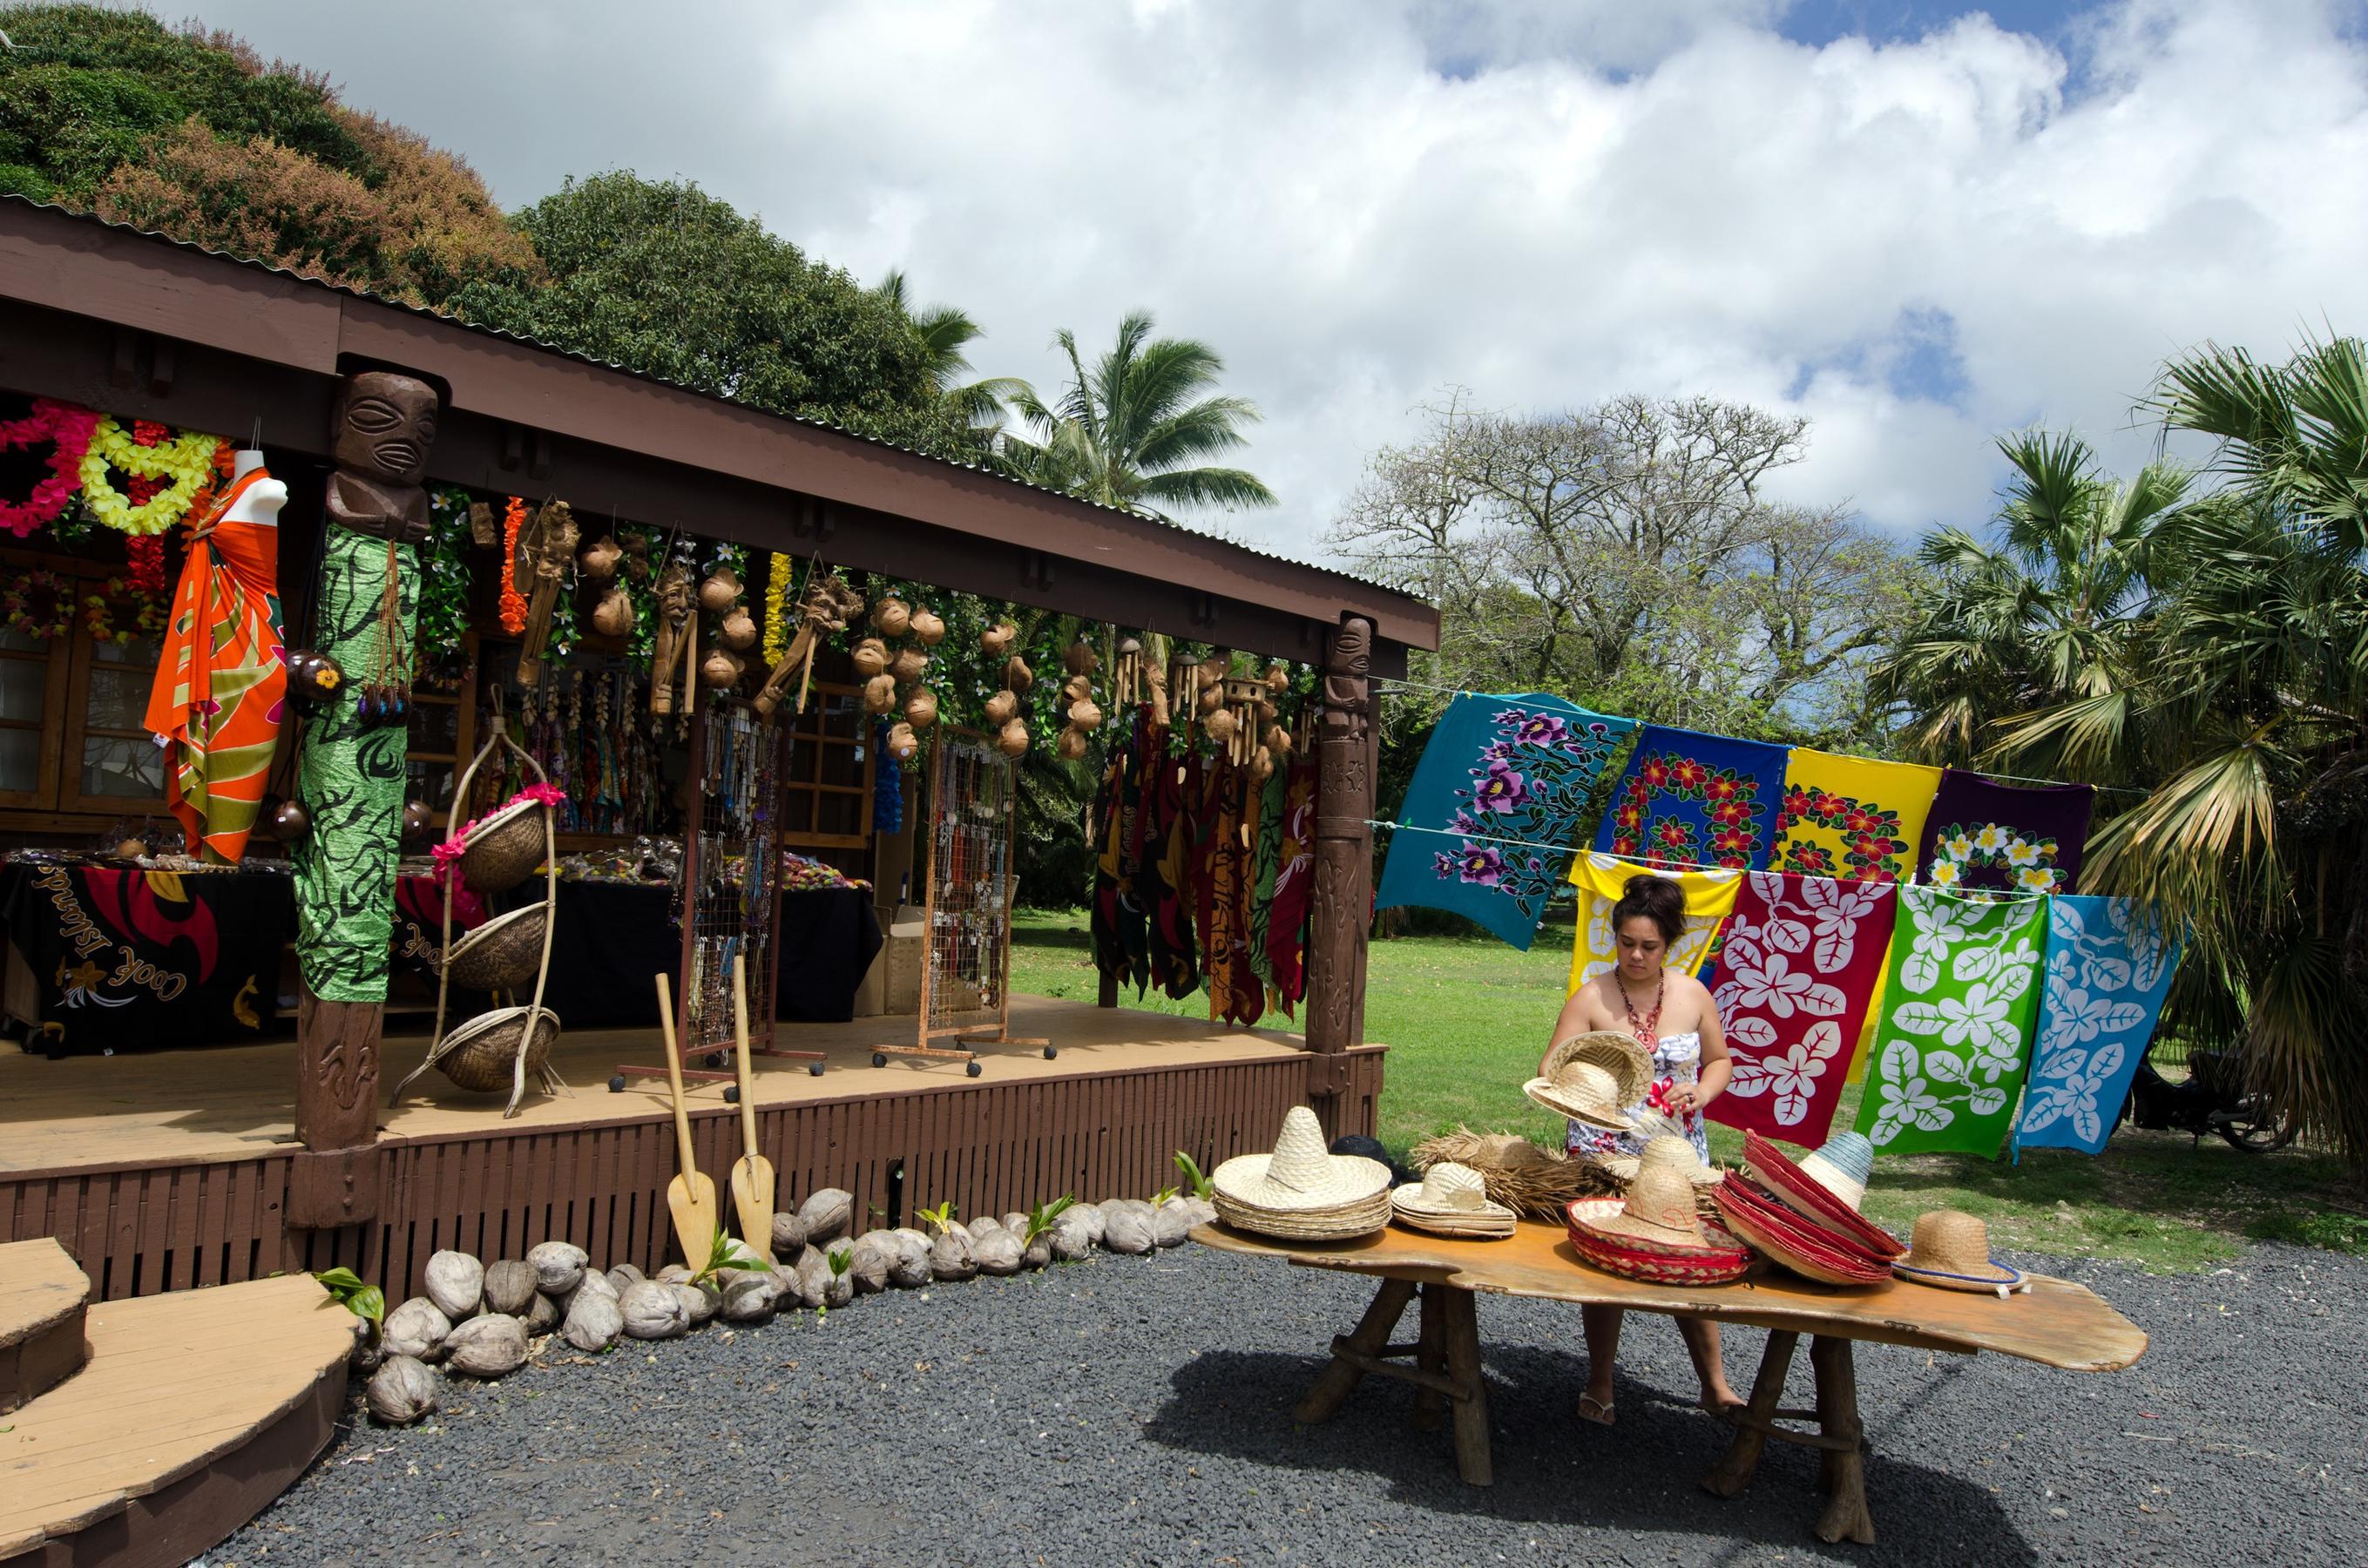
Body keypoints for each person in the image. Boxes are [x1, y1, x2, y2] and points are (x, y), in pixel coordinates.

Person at [1545, 872, 1740, 1423]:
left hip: (1675, 1149)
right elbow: (1550, 1067)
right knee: (1610, 1263)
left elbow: (1720, 1060)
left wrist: (1700, 1089)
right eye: (1626, 943)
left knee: (1688, 1255)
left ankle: (1715, 1385)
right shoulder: (1592, 995)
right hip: (1603, 1149)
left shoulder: (1694, 993)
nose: (1635, 955)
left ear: (1671, 943)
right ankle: (1601, 1381)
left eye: (1648, 946)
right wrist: (1595, 1091)